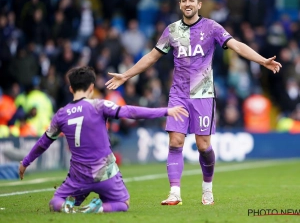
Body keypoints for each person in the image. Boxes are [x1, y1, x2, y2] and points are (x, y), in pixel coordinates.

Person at [105, 0, 282, 206]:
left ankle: (207, 189)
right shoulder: (171, 31)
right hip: (178, 95)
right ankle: (174, 193)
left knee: (203, 146)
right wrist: (126, 75)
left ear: (199, 4)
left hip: (203, 95)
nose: (187, 4)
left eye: (191, 0)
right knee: (175, 141)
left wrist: (262, 60)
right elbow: (152, 57)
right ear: (180, 5)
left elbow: (236, 45)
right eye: (184, 0)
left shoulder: (212, 27)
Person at [18, 66, 188, 213]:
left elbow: (44, 142)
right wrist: (166, 111)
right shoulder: (99, 105)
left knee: (55, 202)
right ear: (91, 87)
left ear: (71, 88)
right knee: (123, 203)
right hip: (105, 175)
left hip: (78, 178)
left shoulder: (61, 114)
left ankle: (65, 207)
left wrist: (25, 162)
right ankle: (100, 208)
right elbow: (130, 112)